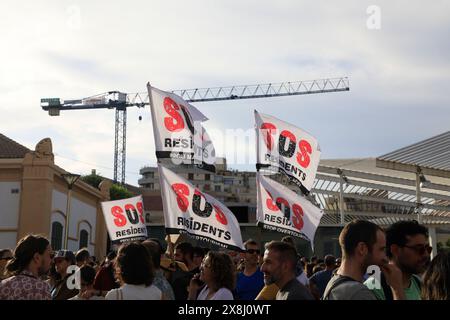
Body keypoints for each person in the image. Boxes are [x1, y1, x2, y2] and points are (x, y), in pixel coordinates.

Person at [322, 220, 404, 300]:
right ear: (362, 248)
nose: (385, 258)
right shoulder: (358, 293)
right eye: (381, 249)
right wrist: (397, 289)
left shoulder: (333, 282)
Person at [364, 220, 431, 300]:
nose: (426, 254)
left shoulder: (418, 283)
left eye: (428, 249)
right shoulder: (373, 287)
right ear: (395, 250)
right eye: (419, 249)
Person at [0, 235, 52, 300]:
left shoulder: (4, 284)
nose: (52, 260)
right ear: (37, 258)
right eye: (50, 255)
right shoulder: (41, 288)